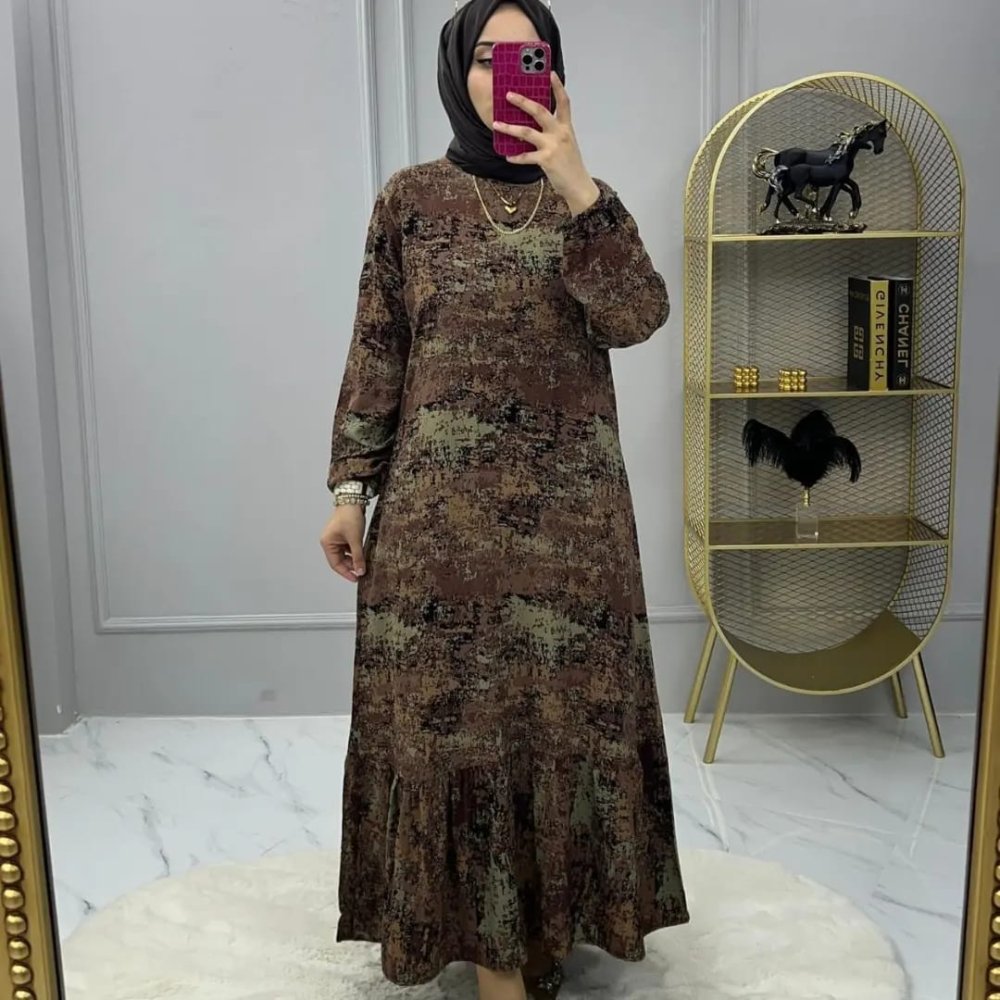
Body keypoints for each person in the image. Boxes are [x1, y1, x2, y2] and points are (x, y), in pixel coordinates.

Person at [319, 1, 690, 996]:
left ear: (555, 74)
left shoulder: (589, 203)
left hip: (574, 532)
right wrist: (351, 489)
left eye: (528, 58)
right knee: (454, 730)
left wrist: (578, 187)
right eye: (486, 58)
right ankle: (493, 958)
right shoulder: (409, 201)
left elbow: (638, 316)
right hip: (437, 529)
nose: (504, 77)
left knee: (561, 727)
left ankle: (539, 928)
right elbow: (378, 351)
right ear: (458, 71)